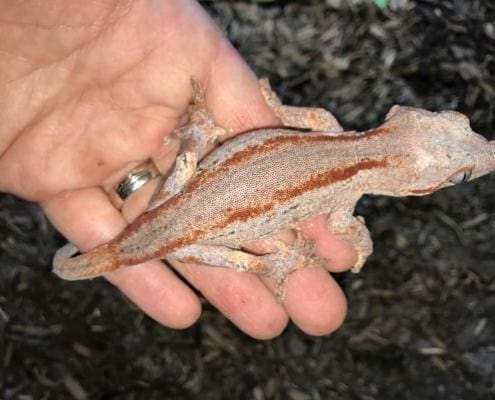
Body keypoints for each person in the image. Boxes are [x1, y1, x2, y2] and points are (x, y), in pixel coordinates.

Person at [0, 0, 358, 338]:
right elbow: (341, 222)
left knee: (207, 217)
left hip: (187, 215)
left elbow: (318, 118)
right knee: (237, 260)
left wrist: (220, 127)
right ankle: (271, 260)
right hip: (189, 229)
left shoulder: (331, 128)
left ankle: (199, 140)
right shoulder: (348, 187)